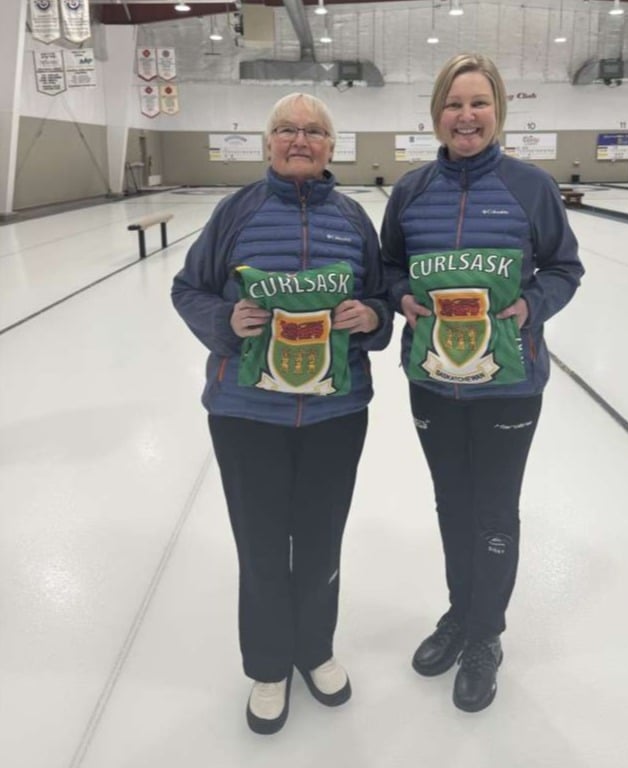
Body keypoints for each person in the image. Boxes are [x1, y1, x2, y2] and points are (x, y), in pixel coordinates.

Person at [171, 92, 392, 735]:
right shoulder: (235, 212)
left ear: (331, 146)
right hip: (246, 416)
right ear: (268, 142)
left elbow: (381, 299)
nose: (300, 140)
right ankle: (269, 665)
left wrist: (371, 316)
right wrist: (225, 321)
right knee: (262, 546)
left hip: (335, 414)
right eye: (287, 130)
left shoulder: (352, 218)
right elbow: (188, 289)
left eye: (314, 131)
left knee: (321, 543)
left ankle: (315, 651)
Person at [380, 54, 584, 713]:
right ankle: (459, 613)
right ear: (436, 114)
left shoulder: (531, 187)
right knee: (451, 503)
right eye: (453, 104)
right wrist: (401, 296)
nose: (465, 116)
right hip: (433, 381)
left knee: (494, 509)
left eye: (478, 103)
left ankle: (485, 634)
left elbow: (564, 267)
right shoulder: (411, 191)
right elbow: (388, 268)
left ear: (498, 111)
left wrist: (532, 306)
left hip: (508, 384)